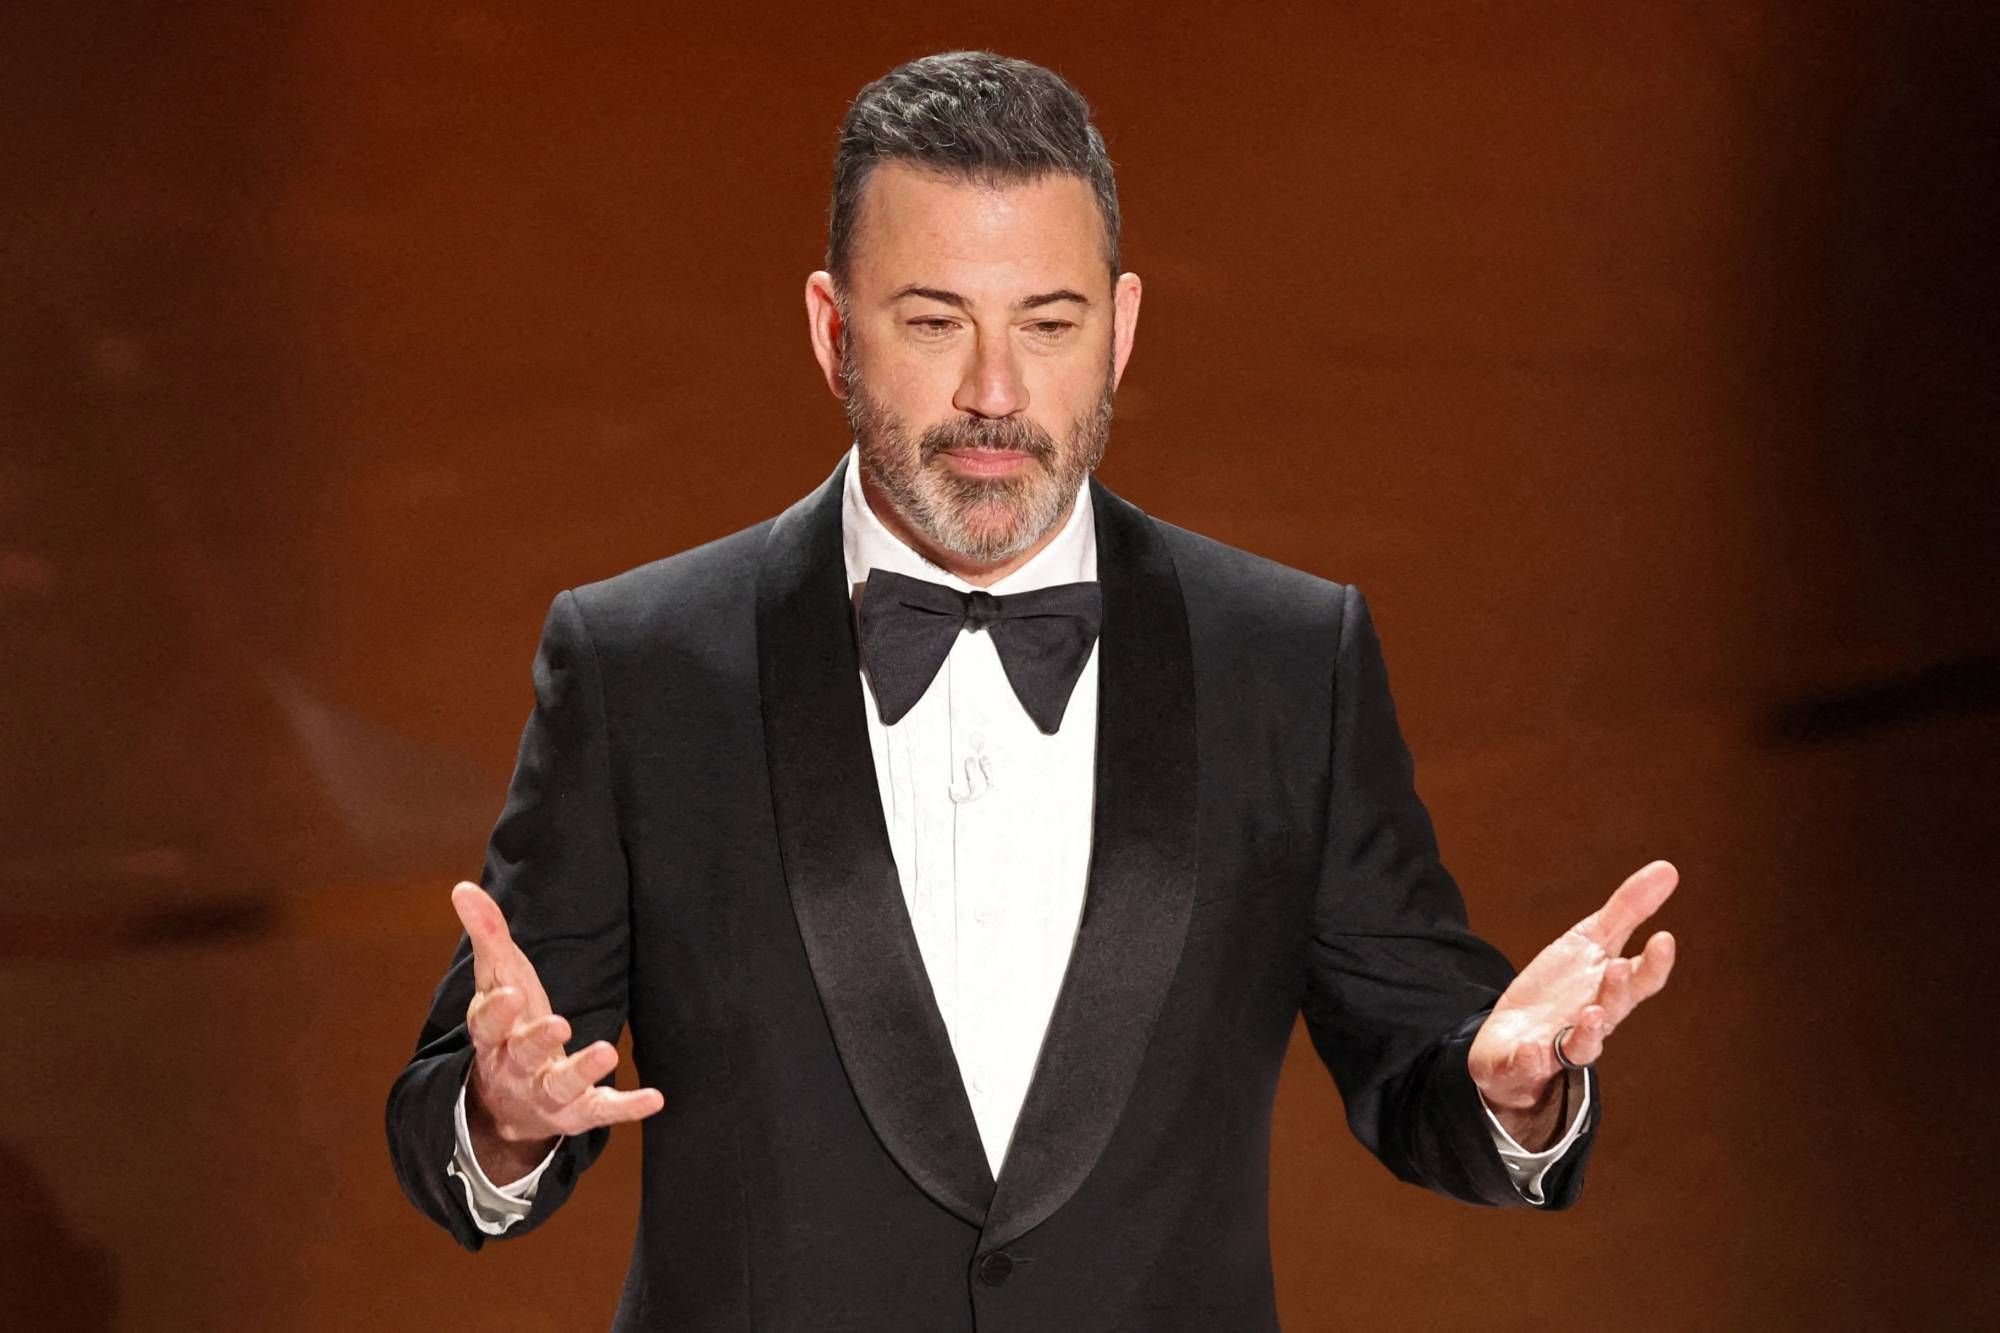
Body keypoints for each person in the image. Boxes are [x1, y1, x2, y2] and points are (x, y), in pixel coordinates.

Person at [385, 50, 1679, 1331]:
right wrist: (500, 1117)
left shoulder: (1290, 657)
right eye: (935, 322)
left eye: (1048, 325)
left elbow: (1420, 1060)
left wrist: (1513, 1092)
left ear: (1121, 330)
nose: (994, 395)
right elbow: (470, 1096)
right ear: (834, 332)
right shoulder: (640, 665)